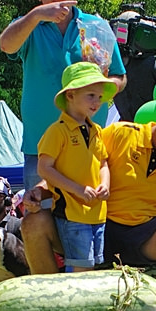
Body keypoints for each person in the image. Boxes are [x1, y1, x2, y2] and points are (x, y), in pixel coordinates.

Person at [22, 103, 156, 295]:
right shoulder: (121, 134)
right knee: (34, 223)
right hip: (90, 224)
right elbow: (72, 167)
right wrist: (40, 190)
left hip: (143, 240)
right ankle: (48, 299)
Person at [0, 0, 127, 193]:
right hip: (41, 147)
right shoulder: (29, 25)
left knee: (87, 219)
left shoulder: (96, 27)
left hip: (89, 144)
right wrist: (36, 15)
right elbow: (6, 45)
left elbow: (119, 76)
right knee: (39, 220)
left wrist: (102, 91)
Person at [38, 62, 116, 272]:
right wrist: (77, 189)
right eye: (91, 95)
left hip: (98, 213)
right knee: (81, 270)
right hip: (72, 213)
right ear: (70, 95)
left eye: (100, 97)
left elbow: (103, 163)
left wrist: (105, 183)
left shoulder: (97, 130)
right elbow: (44, 168)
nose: (97, 102)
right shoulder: (57, 131)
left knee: (94, 267)